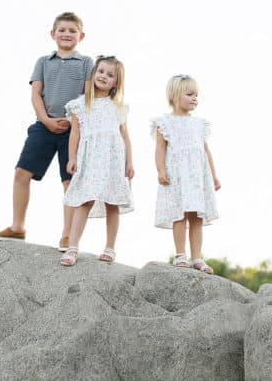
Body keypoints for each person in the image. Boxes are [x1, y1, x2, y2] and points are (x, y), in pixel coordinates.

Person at [0, 12, 93, 251]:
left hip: (73, 129)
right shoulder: (43, 62)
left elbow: (87, 95)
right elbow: (36, 93)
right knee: (21, 172)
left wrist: (71, 119)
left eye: (72, 31)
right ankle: (17, 227)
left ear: (81, 36)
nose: (67, 34)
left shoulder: (87, 63)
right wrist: (45, 119)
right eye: (62, 30)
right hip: (44, 126)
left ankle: (67, 235)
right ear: (53, 33)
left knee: (69, 181)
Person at [59, 56, 134, 266]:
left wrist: (129, 162)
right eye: (101, 71)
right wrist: (72, 157)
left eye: (110, 75)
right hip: (90, 158)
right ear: (94, 74)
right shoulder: (79, 105)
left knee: (112, 202)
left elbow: (125, 136)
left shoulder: (118, 107)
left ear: (116, 83)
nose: (104, 76)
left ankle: (110, 248)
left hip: (113, 158)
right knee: (85, 200)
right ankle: (73, 246)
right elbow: (74, 134)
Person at [151, 74, 221, 274]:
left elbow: (206, 151)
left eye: (196, 95)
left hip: (198, 176)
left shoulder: (200, 124)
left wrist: (214, 176)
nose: (194, 99)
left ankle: (197, 257)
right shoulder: (164, 123)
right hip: (177, 175)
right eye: (189, 94)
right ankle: (181, 254)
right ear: (174, 95)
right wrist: (161, 170)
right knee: (179, 214)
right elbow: (160, 149)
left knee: (196, 216)